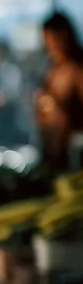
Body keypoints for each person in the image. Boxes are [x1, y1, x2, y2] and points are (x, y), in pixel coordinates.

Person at [35, 11, 83, 170]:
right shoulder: (53, 70)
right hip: (55, 154)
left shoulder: (77, 69)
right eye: (48, 40)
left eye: (55, 39)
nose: (52, 46)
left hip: (76, 153)